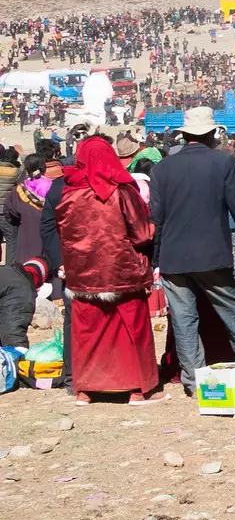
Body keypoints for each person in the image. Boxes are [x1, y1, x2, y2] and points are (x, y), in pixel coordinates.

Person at [149, 106, 235, 394]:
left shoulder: (162, 168)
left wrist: (155, 258)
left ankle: (193, 381)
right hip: (212, 253)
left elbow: (157, 219)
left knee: (184, 321)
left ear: (183, 134)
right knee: (233, 312)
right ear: (213, 134)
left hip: (174, 257)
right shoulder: (222, 162)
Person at [48, 135, 158, 402]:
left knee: (89, 331)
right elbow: (141, 233)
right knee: (131, 329)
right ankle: (136, 389)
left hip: (83, 274)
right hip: (122, 271)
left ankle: (86, 389)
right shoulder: (122, 191)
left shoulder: (69, 192)